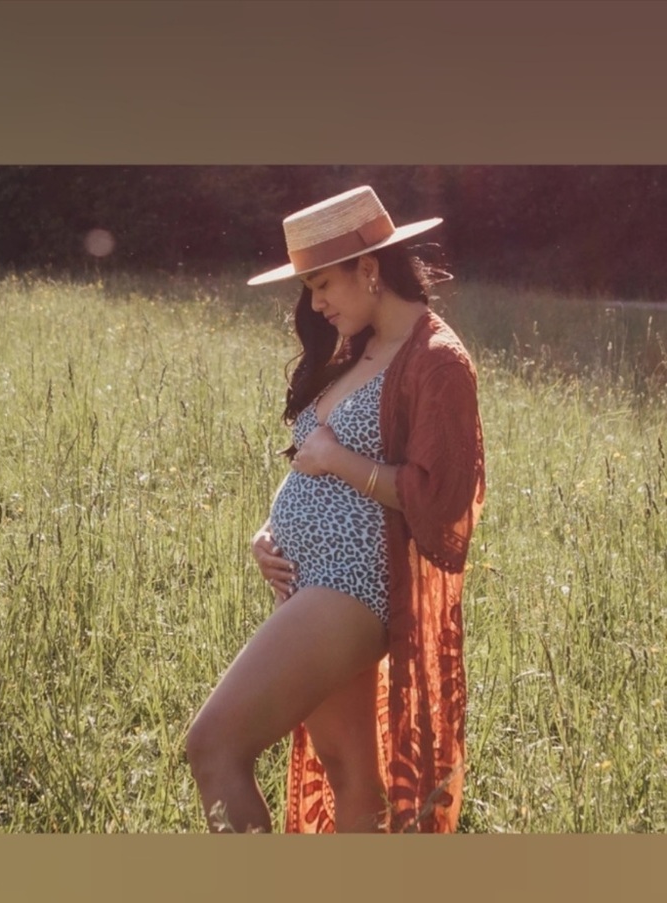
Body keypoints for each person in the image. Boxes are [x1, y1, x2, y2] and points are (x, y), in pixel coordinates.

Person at [185, 185, 486, 833]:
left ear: (369, 269)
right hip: (313, 583)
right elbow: (313, 465)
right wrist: (269, 534)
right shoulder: (360, 348)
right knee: (350, 772)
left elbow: (443, 499)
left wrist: (336, 460)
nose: (315, 304)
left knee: (212, 747)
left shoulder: (438, 362)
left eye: (322, 284)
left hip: (355, 586)